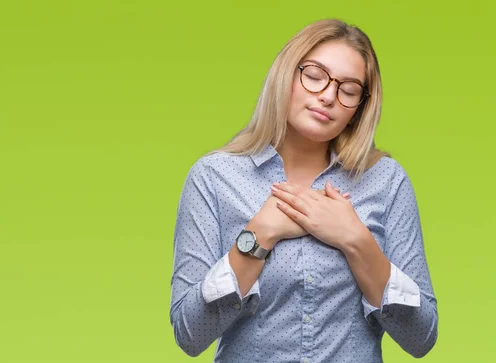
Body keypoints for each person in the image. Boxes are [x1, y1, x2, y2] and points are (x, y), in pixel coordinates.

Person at [169, 18, 438, 362]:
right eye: (314, 76)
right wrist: (260, 234)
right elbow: (189, 335)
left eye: (349, 90)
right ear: (286, 75)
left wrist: (355, 239)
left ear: (358, 109)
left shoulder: (386, 181)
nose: (328, 96)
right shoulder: (213, 177)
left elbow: (422, 338)